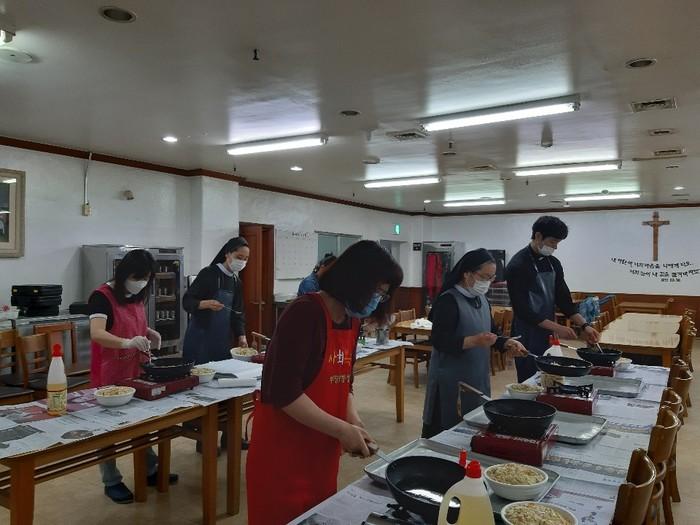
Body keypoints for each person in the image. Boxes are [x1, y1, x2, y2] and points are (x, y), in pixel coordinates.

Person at [246, 241, 403, 525]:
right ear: (355, 280)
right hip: (283, 453)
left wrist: (353, 422)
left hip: (320, 451)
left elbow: (344, 383)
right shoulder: (304, 313)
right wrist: (341, 429)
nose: (378, 300)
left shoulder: (351, 321)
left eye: (383, 295)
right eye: (377, 291)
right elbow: (283, 393)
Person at [88, 249, 178, 504]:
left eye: (146, 278)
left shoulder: (136, 294)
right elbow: (97, 333)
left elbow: (131, 320)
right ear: (124, 273)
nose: (141, 282)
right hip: (110, 371)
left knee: (141, 421)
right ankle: (111, 481)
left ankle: (149, 469)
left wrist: (148, 332)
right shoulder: (101, 296)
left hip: (136, 368)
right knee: (108, 430)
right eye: (138, 277)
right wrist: (127, 342)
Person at [421, 249, 528, 439]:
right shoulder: (449, 300)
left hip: (476, 376)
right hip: (449, 379)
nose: (488, 282)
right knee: (445, 431)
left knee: (472, 427)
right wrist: (474, 341)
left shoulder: (482, 299)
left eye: (492, 278)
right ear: (467, 274)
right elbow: (439, 340)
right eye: (485, 277)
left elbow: (492, 333)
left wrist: (506, 343)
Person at [506, 216, 600, 382]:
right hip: (526, 332)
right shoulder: (518, 265)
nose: (555, 247)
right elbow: (523, 310)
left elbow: (564, 300)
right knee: (530, 378)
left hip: (547, 330)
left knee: (550, 375)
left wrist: (584, 326)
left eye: (558, 243)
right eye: (553, 241)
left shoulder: (553, 263)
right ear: (538, 236)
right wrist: (558, 327)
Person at [182, 237, 249, 365]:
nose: (242, 262)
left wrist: (241, 335)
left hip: (222, 341)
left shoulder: (236, 282)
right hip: (200, 339)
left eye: (245, 259)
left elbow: (238, 313)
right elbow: (187, 301)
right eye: (239, 257)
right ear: (227, 254)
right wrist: (205, 304)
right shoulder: (208, 274)